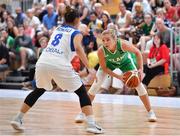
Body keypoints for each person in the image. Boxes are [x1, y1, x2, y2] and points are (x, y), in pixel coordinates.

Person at [10, 6, 103, 134]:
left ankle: (18, 118)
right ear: (77, 20)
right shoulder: (76, 33)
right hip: (58, 63)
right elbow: (78, 48)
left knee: (38, 90)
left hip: (43, 61)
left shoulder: (57, 29)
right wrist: (89, 67)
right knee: (82, 92)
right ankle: (91, 124)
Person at [75, 29, 157, 123]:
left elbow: (138, 53)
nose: (105, 42)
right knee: (95, 86)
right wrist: (119, 77)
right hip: (109, 65)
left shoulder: (123, 44)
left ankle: (150, 112)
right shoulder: (101, 51)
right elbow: (105, 68)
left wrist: (141, 69)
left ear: (115, 39)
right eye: (103, 40)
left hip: (125, 63)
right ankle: (83, 113)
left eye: (108, 39)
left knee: (139, 86)